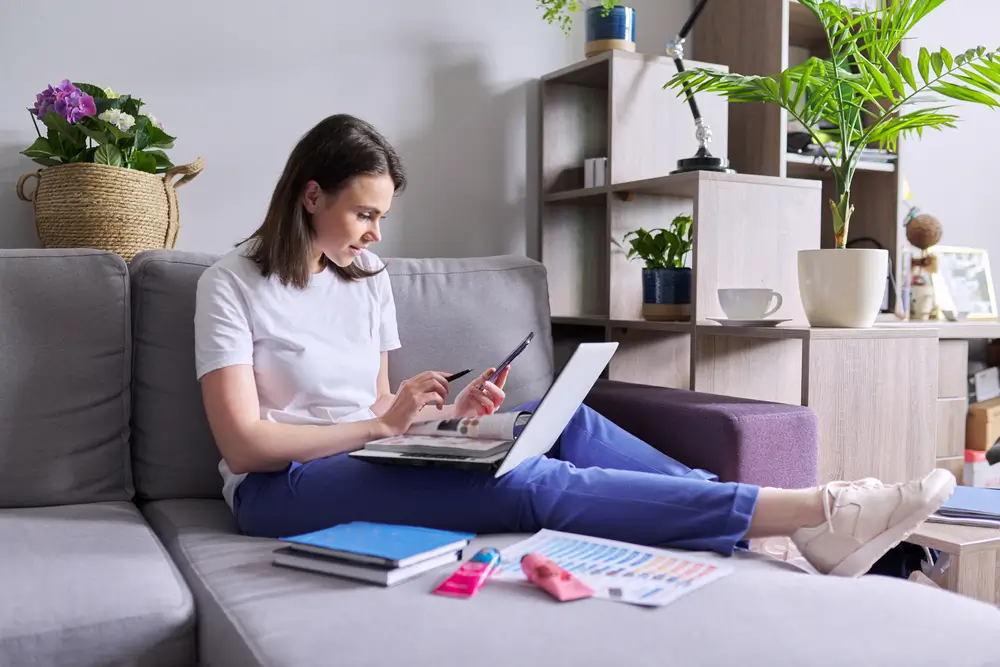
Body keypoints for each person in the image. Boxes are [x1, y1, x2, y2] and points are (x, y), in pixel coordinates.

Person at [194, 113, 956, 579]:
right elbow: (247, 441)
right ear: (310, 194)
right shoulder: (230, 284)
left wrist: (441, 418)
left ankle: (767, 520)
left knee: (563, 425)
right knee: (526, 487)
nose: (374, 234)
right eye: (363, 214)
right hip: (281, 489)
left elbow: (376, 408)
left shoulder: (367, 277)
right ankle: (816, 509)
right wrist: (384, 426)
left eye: (382, 217)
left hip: (365, 455)